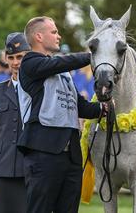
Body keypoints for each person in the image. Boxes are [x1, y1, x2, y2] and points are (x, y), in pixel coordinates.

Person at [17, 16, 104, 213]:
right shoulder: (30, 63)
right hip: (43, 153)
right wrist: (93, 55)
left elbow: (80, 107)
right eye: (54, 32)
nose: (59, 36)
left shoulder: (63, 73)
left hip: (71, 156)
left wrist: (102, 108)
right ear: (39, 36)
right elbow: (58, 64)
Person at [0, 32, 31, 213]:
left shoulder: (40, 90)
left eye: (20, 57)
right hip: (0, 172)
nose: (15, 62)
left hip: (29, 172)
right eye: (11, 57)